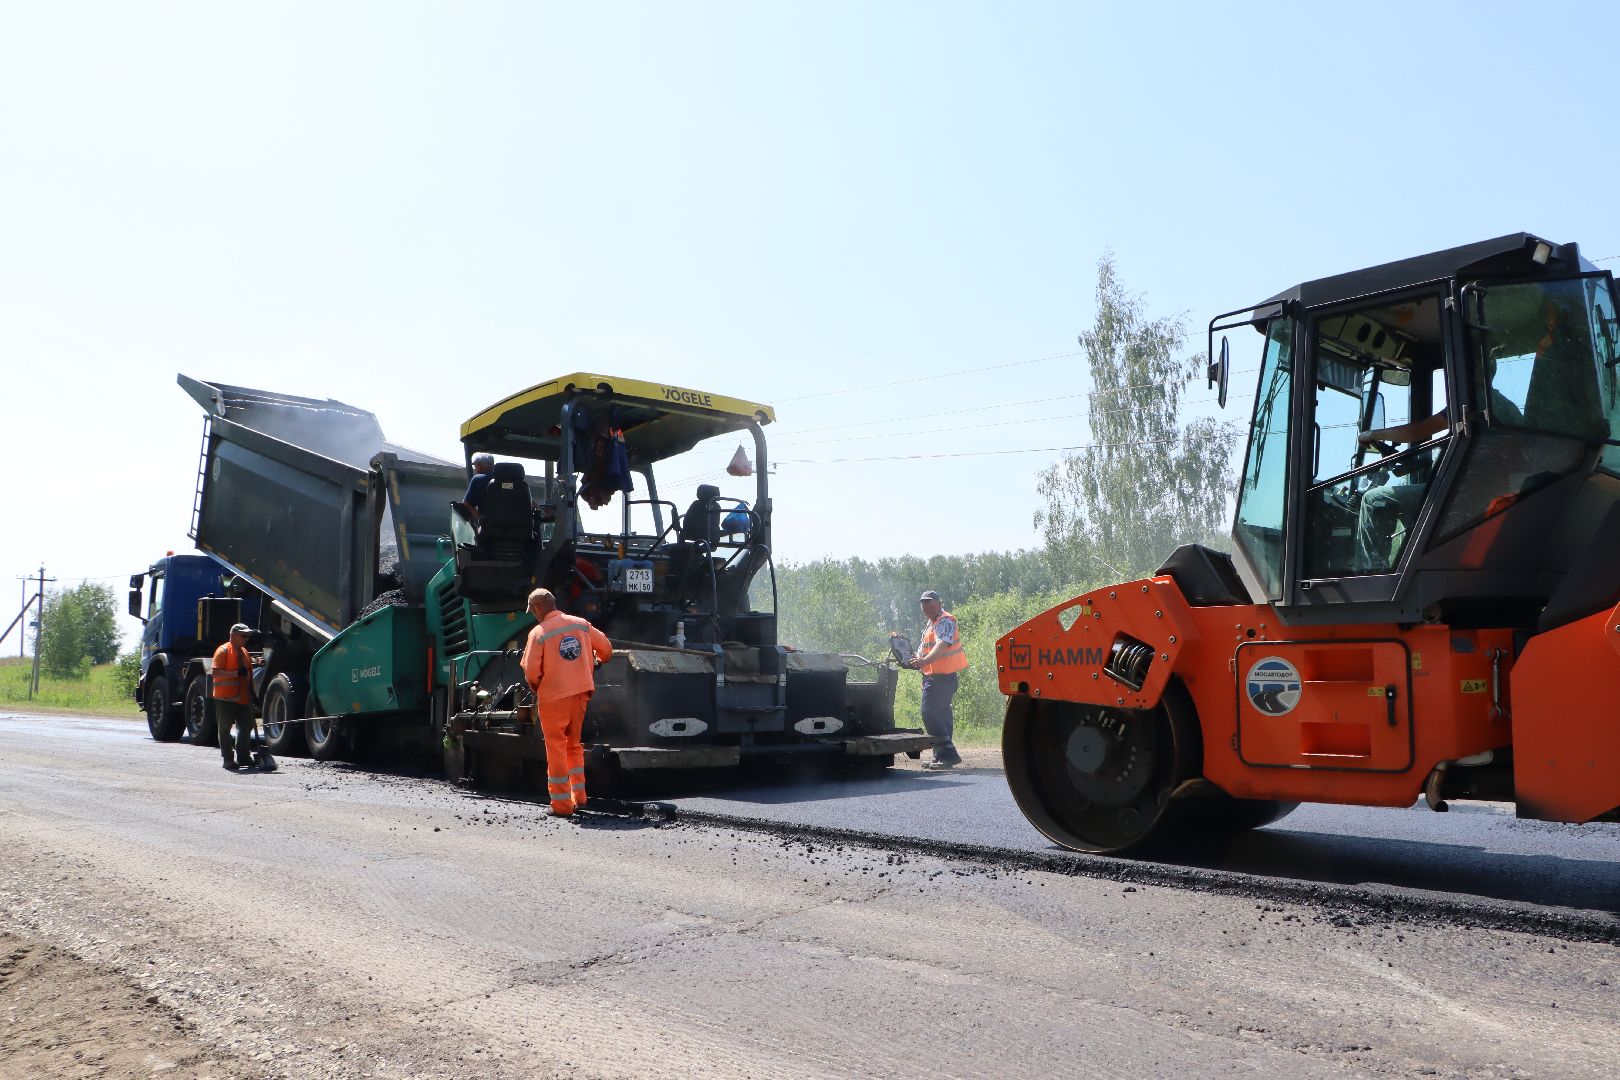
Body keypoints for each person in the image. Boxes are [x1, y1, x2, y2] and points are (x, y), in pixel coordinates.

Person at [520, 588, 613, 816]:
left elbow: (531, 670)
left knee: (556, 748)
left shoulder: (539, 633)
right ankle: (579, 797)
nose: (532, 614)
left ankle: (562, 806)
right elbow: (607, 650)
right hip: (581, 694)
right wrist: (597, 661)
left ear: (539, 608)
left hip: (553, 697)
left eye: (532, 609)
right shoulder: (580, 624)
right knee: (573, 744)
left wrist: (537, 688)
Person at [911, 590, 967, 770]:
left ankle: (948, 755)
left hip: (941, 677)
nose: (927, 608)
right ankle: (942, 756)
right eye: (924, 606)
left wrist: (924, 661)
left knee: (929, 712)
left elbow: (943, 644)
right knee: (942, 715)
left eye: (930, 604)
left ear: (939, 603)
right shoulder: (931, 624)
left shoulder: (945, 620)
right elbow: (924, 651)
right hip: (936, 676)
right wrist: (910, 657)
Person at [211, 623, 256, 772]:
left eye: (248, 636)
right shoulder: (222, 651)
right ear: (233, 636)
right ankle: (228, 760)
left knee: (246, 727)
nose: (246, 638)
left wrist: (252, 694)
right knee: (224, 729)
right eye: (244, 636)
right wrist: (235, 674)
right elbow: (215, 672)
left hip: (243, 698)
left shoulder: (244, 652)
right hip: (226, 698)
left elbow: (249, 674)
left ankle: (243, 757)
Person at [459, 453, 496, 522]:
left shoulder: (478, 479)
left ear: (479, 465)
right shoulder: (513, 481)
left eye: (475, 465)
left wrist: (479, 519)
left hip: (490, 527)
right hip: (514, 527)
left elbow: (467, 504)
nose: (475, 468)